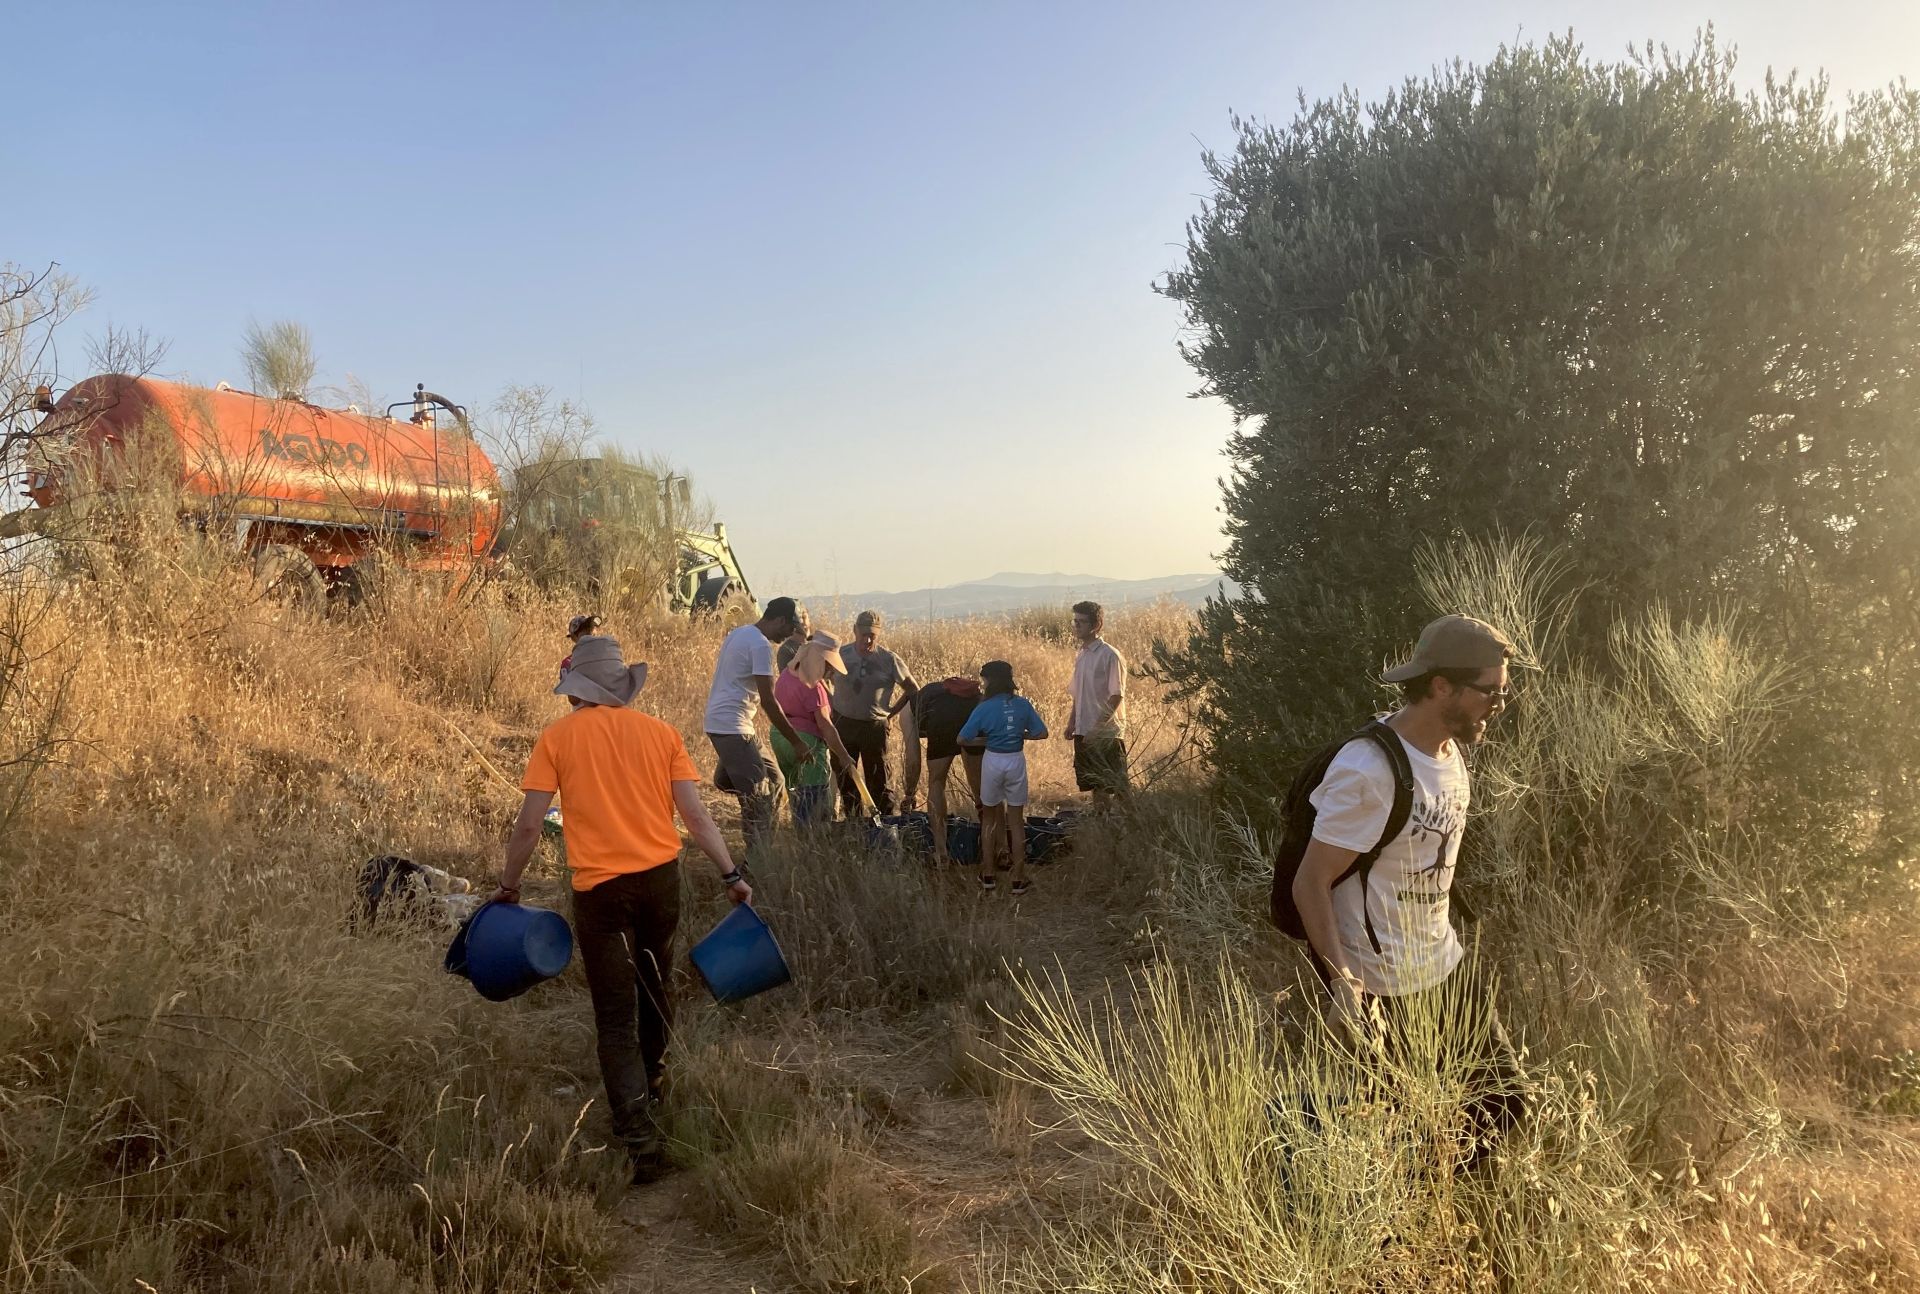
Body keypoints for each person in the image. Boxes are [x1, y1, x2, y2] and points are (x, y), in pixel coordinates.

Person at [491, 634, 752, 1185]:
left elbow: (531, 824)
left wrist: (509, 885)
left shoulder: (556, 739)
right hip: (661, 881)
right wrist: (731, 875)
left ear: (574, 693)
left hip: (600, 893)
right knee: (656, 987)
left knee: (614, 1015)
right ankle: (653, 1087)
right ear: (622, 687)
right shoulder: (660, 734)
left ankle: (638, 1142)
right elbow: (698, 819)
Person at [1290, 613, 1523, 1168]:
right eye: (1490, 692)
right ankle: (1297, 1140)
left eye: (1505, 691)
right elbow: (1310, 881)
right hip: (1386, 981)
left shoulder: (1449, 752)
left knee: (1502, 1103)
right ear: (1441, 686)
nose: (1500, 704)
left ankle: (1444, 1213)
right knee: (1401, 1130)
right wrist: (1345, 986)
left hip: (1442, 965)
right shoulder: (1368, 769)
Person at [703, 597, 810, 859]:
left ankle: (731, 777)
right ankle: (757, 862)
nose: (790, 635)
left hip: (729, 724)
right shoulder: (761, 645)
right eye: (790, 628)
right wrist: (796, 742)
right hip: (733, 725)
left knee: (775, 780)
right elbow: (769, 700)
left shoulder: (740, 633)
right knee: (759, 800)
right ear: (781, 620)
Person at [956, 660, 1047, 894]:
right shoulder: (1023, 705)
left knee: (989, 819)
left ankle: (988, 875)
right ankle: (1018, 878)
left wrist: (986, 740)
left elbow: (962, 739)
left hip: (993, 761)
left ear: (990, 681)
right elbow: (1041, 733)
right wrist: (1020, 735)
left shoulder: (984, 707)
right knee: (1016, 821)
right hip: (1015, 759)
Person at [829, 610, 919, 817]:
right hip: (843, 724)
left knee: (879, 780)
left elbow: (912, 688)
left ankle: (884, 826)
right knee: (845, 776)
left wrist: (890, 714)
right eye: (863, 634)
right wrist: (833, 703)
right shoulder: (841, 655)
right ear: (854, 631)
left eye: (873, 636)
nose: (867, 640)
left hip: (874, 726)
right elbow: (821, 678)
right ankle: (854, 824)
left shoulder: (889, 659)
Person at [771, 631, 860, 826]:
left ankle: (802, 838)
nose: (831, 671)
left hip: (780, 736)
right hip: (807, 742)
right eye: (829, 665)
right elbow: (826, 727)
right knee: (815, 798)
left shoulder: (787, 673)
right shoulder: (814, 688)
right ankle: (816, 842)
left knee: (796, 792)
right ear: (819, 660)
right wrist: (844, 757)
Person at [900, 674, 985, 865]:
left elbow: (913, 759)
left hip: (942, 718)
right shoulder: (958, 696)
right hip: (975, 711)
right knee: (981, 789)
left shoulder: (907, 710)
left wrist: (909, 793)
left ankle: (941, 852)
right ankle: (998, 848)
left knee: (937, 781)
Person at [1067, 600, 1129, 804]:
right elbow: (1078, 693)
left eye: (1082, 622)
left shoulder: (1110, 655)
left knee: (1117, 785)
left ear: (1097, 624)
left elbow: (1116, 695)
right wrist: (1071, 723)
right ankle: (1102, 825)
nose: (1076, 626)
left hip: (1106, 733)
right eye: (1075, 621)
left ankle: (1132, 826)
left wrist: (1098, 728)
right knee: (1095, 784)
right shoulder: (1081, 655)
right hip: (1083, 729)